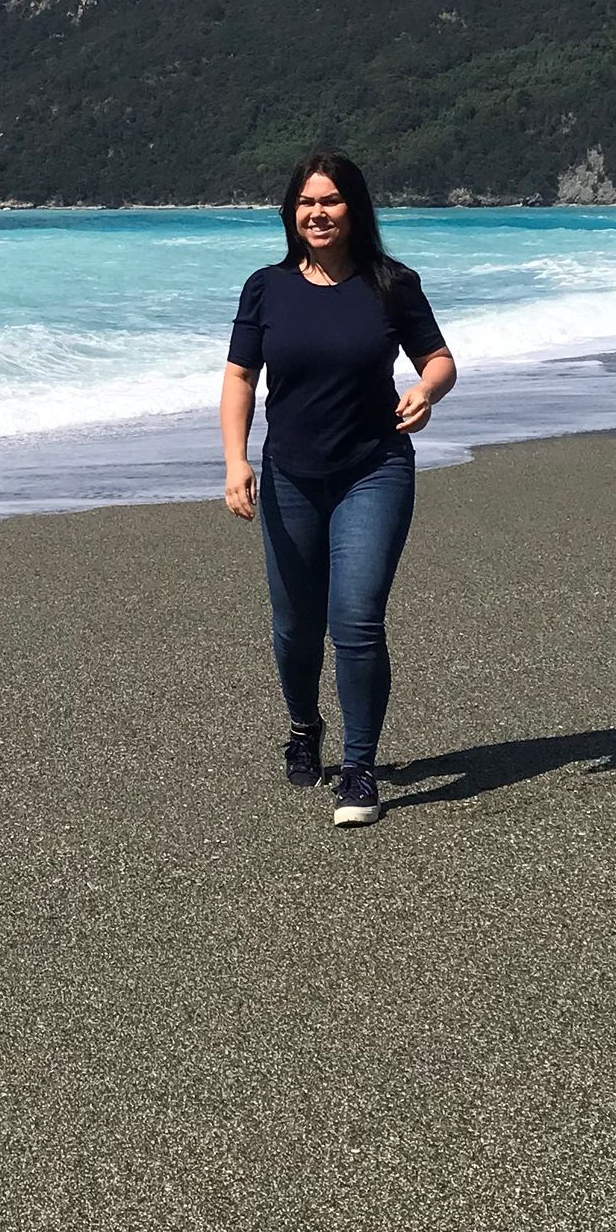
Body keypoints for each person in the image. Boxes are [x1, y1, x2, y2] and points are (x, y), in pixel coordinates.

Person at [220, 152, 457, 827]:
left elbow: (438, 359)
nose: (317, 213)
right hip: (290, 475)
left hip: (373, 468)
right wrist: (235, 462)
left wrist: (426, 390)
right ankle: (303, 726)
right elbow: (240, 378)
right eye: (305, 203)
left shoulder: (392, 284)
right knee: (296, 626)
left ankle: (358, 769)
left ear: (355, 208)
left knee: (356, 618)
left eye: (331, 201)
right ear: (291, 214)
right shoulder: (266, 287)